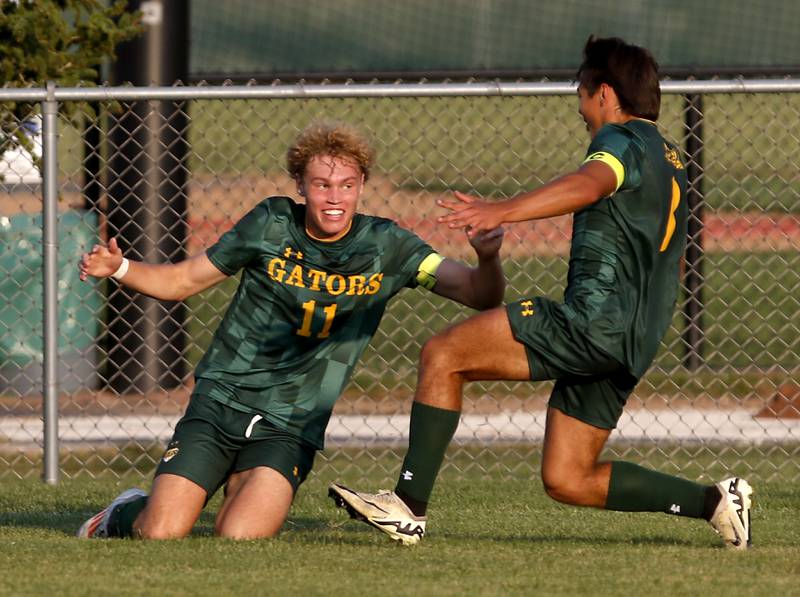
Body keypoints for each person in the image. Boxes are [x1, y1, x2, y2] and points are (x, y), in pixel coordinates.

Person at [329, 36, 753, 549]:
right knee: (568, 478)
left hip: (593, 323)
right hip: (634, 340)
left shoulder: (619, 140)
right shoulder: (670, 158)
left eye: (581, 88)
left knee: (444, 355)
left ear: (603, 92)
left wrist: (500, 208)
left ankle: (407, 506)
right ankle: (715, 502)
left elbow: (592, 183)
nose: (578, 102)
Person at [76, 121, 505, 540]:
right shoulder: (271, 224)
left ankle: (237, 488)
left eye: (346, 185)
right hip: (222, 401)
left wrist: (487, 258)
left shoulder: (387, 246)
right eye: (321, 185)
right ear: (300, 184)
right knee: (161, 531)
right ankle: (120, 513)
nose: (334, 197)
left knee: (240, 535)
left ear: (362, 185)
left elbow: (477, 294)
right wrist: (121, 268)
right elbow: (182, 282)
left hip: (292, 423)